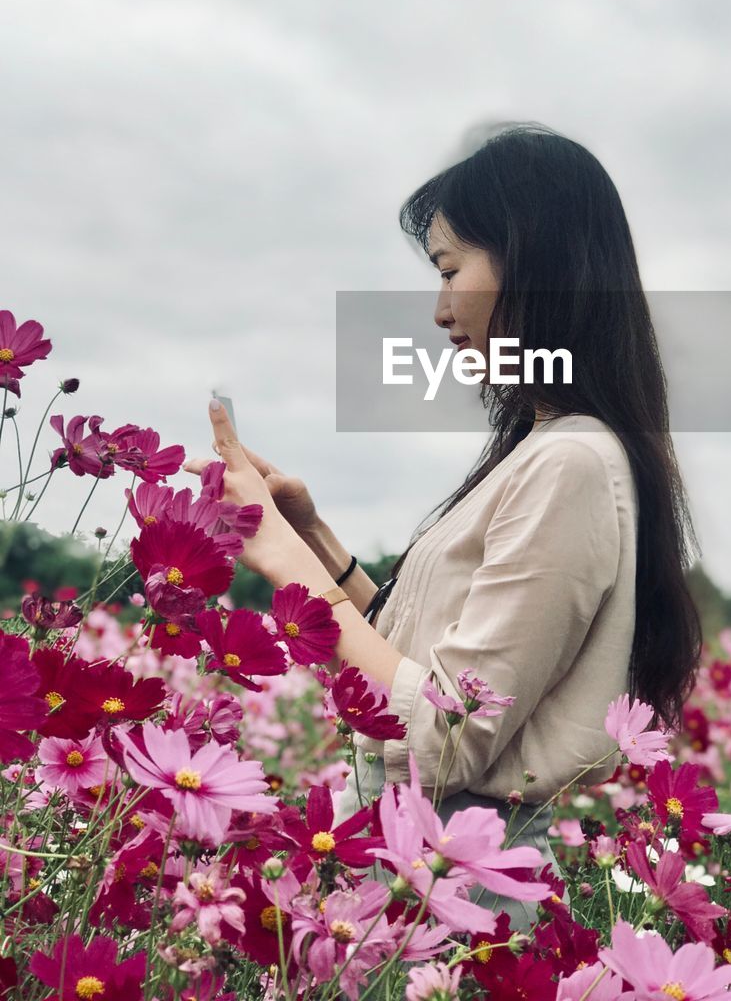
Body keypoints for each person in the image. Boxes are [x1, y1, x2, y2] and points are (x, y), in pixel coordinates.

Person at [183, 121, 703, 932]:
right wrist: (314, 538)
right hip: (425, 860)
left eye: (450, 268)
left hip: (464, 884)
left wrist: (285, 562)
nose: (438, 310)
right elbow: (421, 666)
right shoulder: (544, 451)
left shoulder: (570, 463)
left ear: (534, 263)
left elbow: (447, 735)